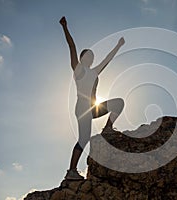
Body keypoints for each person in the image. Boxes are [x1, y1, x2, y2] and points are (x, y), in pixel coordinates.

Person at [59, 16, 125, 180]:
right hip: (82, 108)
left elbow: (107, 60)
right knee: (84, 138)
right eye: (88, 55)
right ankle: (71, 171)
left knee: (118, 103)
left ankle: (108, 128)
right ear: (82, 58)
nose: (91, 57)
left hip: (93, 107)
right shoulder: (78, 70)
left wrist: (118, 45)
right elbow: (72, 46)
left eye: (92, 56)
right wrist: (65, 27)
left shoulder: (94, 72)